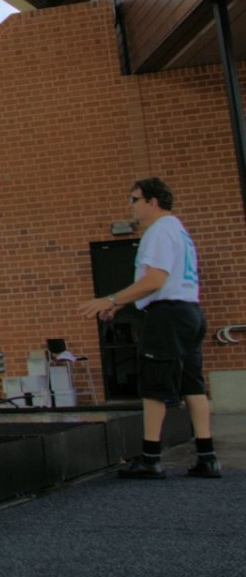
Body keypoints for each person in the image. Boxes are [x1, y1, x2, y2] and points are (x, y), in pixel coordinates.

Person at [76, 177, 220, 479]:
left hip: (167, 317)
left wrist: (109, 298)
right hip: (189, 312)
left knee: (153, 386)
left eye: (133, 200)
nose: (130, 206)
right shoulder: (178, 229)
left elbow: (155, 280)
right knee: (192, 384)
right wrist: (121, 304)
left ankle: (150, 457)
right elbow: (157, 284)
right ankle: (207, 456)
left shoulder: (158, 231)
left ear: (151, 201)